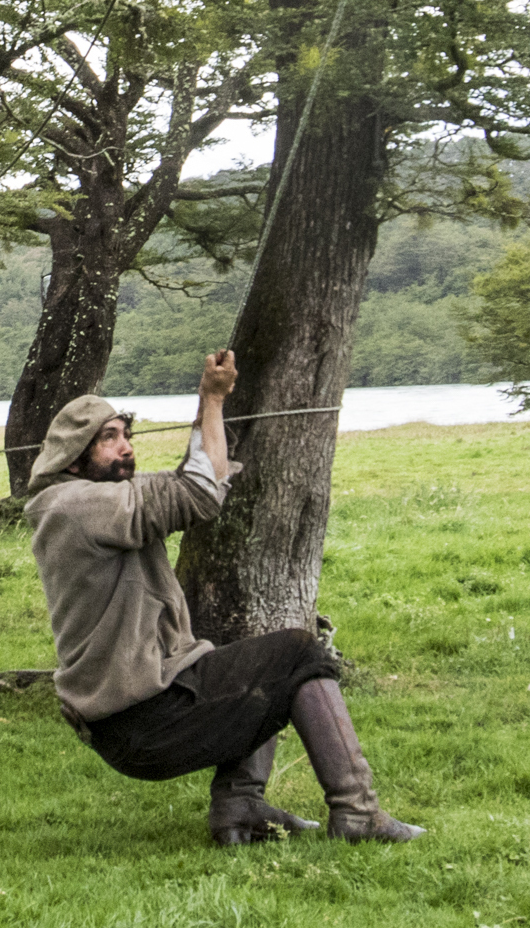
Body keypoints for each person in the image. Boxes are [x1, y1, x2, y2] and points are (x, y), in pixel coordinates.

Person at [24, 349, 424, 844]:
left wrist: (205, 419)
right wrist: (212, 398)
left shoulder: (78, 501)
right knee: (298, 653)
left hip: (128, 724)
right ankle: (358, 815)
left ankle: (240, 810)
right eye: (109, 439)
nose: (126, 447)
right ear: (74, 454)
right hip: (145, 719)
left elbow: (185, 482)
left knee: (253, 662)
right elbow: (200, 494)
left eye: (126, 434)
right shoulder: (81, 506)